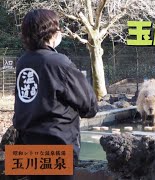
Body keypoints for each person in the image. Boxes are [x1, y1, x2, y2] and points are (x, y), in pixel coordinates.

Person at [13, 9, 98, 180]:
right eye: (57, 27)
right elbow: (90, 106)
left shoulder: (23, 61)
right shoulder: (59, 62)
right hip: (57, 143)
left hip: (27, 143)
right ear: (50, 32)